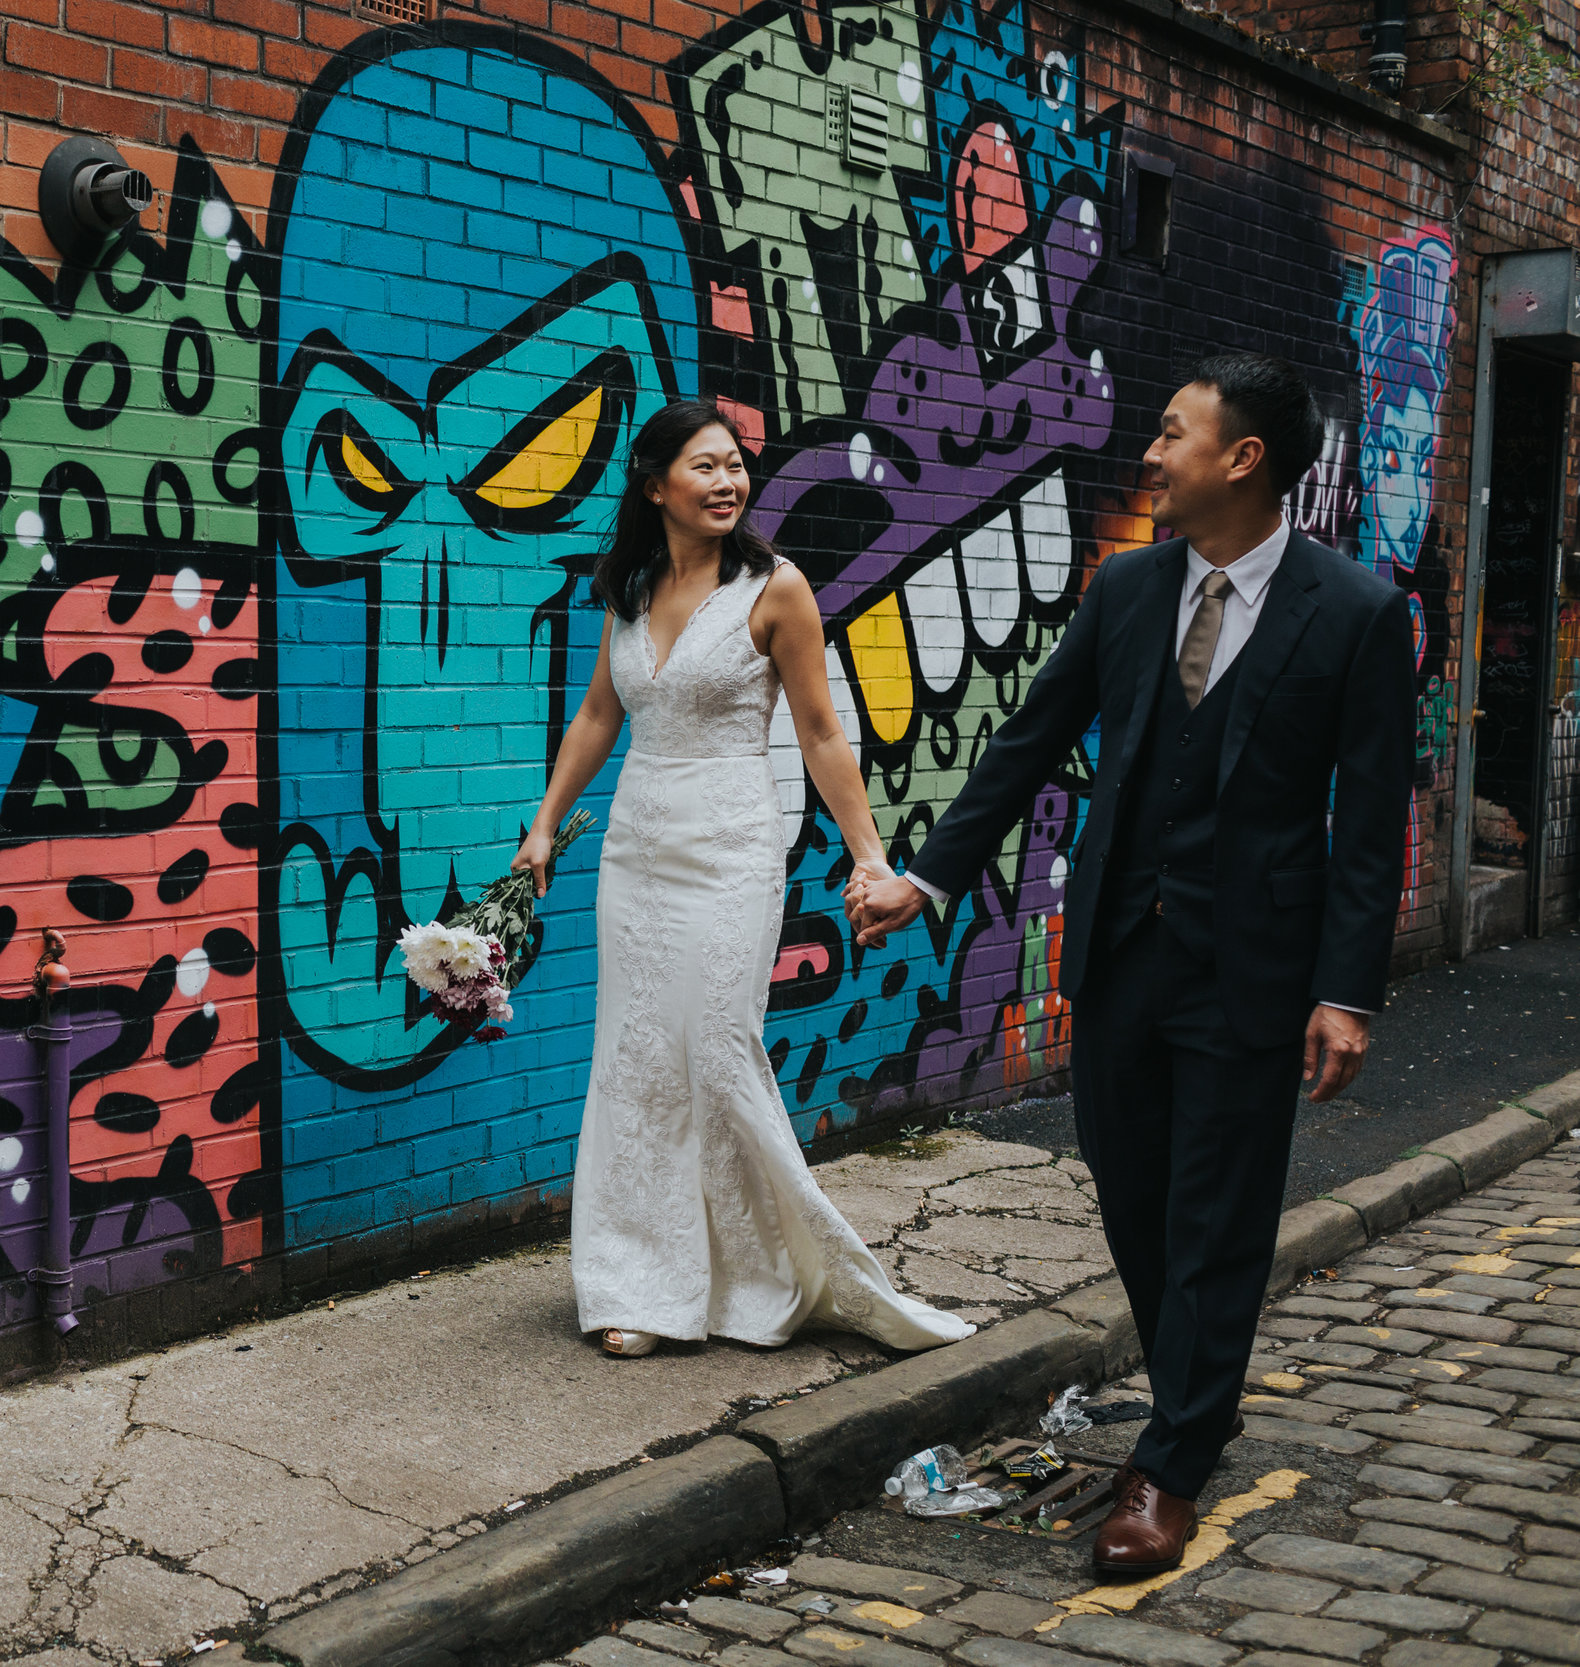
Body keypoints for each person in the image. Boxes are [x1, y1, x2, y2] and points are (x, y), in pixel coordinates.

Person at [853, 353, 1414, 1576]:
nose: (1150, 454)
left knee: (1217, 1212)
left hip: (1254, 966)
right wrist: (929, 875)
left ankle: (1171, 1459)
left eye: (1172, 433)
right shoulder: (1126, 588)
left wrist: (1345, 988)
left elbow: (1370, 821)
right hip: (1120, 949)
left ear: (1242, 458)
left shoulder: (1358, 612)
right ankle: (1195, 1392)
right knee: (1130, 1190)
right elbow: (1024, 742)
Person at [509, 399, 976, 1361]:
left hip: (730, 849)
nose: (728, 482)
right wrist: (545, 825)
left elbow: (819, 731)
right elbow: (600, 714)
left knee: (718, 1051)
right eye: (704, 467)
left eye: (735, 465)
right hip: (636, 848)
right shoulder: (629, 586)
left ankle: (773, 1274)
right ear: (654, 485)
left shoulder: (777, 589)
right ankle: (639, 1284)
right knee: (637, 1061)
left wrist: (869, 853)